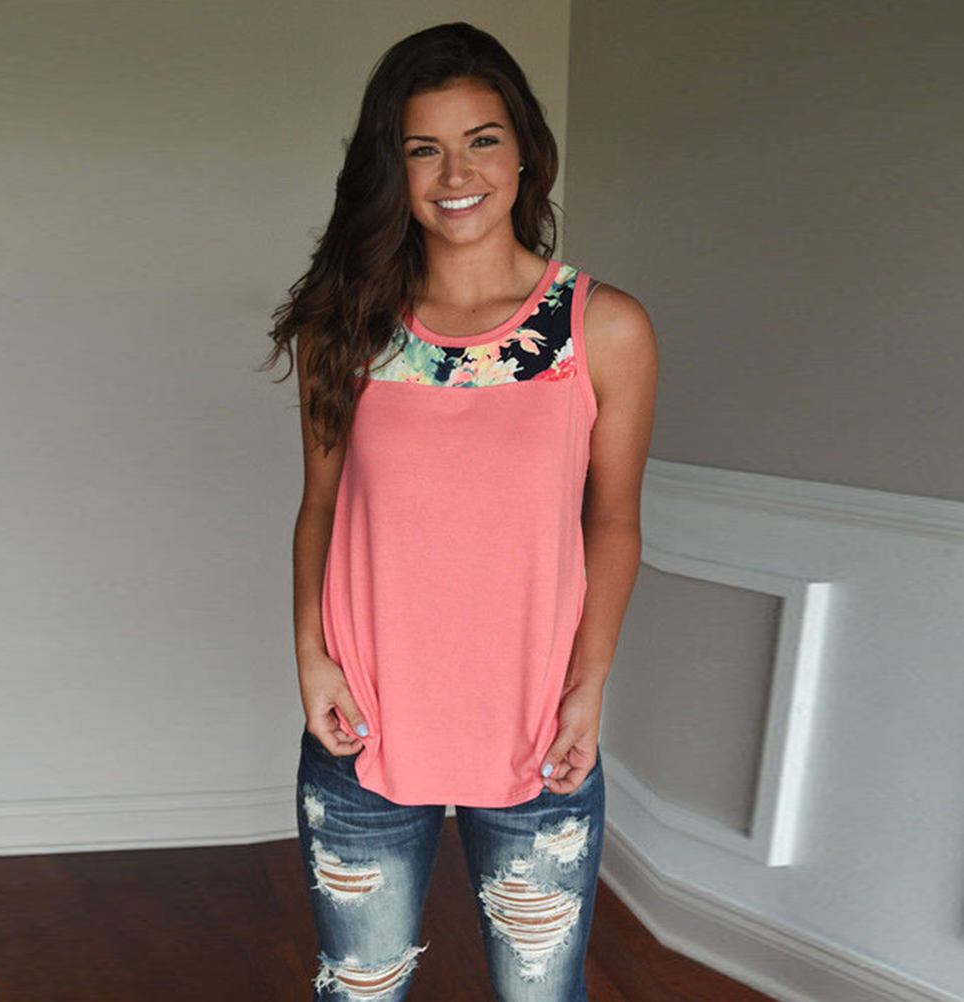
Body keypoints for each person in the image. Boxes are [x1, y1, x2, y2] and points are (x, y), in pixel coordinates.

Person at [261, 21, 657, 1002]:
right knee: (359, 988)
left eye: (482, 139)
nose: (456, 173)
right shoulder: (345, 329)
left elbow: (612, 521)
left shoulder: (600, 329)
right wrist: (311, 656)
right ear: (391, 169)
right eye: (422, 148)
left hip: (538, 729)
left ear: (524, 150)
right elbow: (320, 507)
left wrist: (588, 686)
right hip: (363, 724)